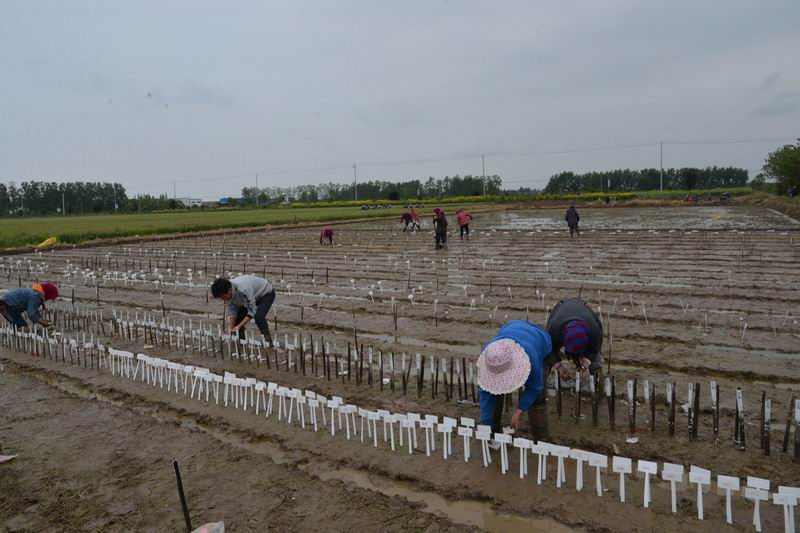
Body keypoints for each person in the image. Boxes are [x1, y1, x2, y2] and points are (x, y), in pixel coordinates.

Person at [477, 320, 553, 441]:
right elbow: (485, 392)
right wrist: (486, 424)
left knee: (538, 396)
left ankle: (541, 438)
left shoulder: (531, 357)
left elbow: (534, 387)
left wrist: (519, 411)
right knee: (494, 390)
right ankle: (494, 431)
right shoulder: (489, 354)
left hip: (539, 338)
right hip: (510, 327)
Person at [210, 275, 276, 346]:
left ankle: (269, 343)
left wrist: (238, 327)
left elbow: (252, 310)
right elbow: (232, 311)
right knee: (238, 318)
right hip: (249, 297)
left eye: (222, 297)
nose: (223, 299)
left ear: (229, 291)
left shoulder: (244, 289)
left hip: (265, 293)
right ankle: (242, 343)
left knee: (259, 317)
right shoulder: (228, 291)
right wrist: (231, 329)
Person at [544, 298, 603, 373]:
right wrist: (558, 365)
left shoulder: (594, 329)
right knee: (547, 360)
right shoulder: (554, 329)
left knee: (595, 361)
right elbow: (549, 350)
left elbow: (594, 349)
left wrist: (587, 361)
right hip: (561, 309)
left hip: (585, 312)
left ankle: (593, 373)